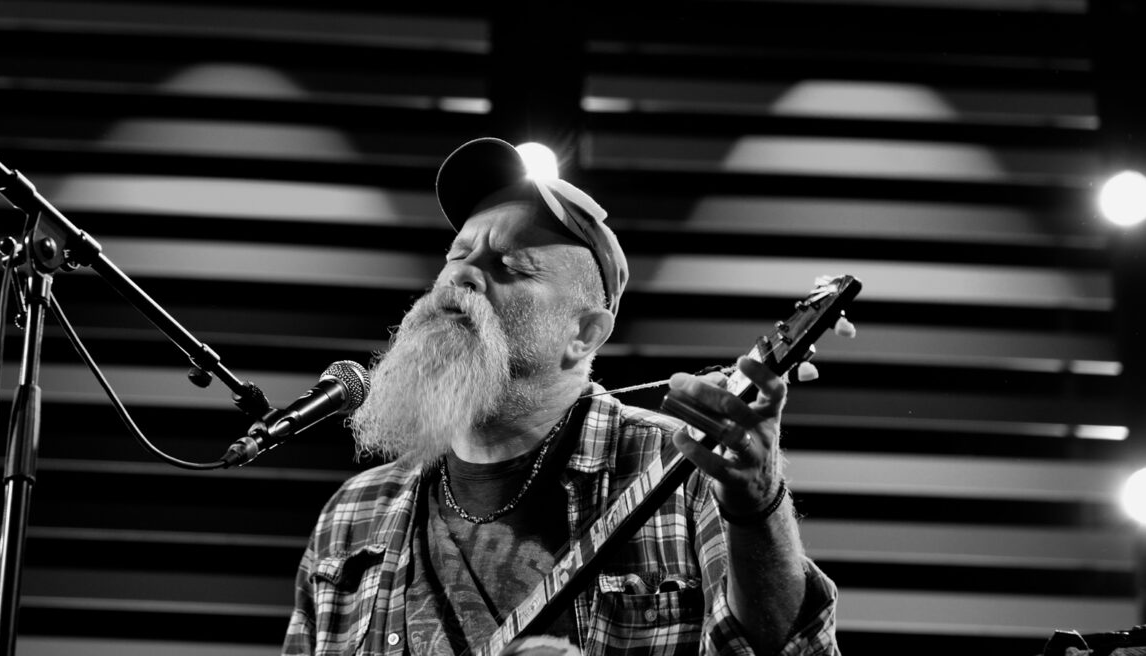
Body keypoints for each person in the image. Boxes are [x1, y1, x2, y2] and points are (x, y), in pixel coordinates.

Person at [282, 138, 839, 656]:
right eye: (458, 254)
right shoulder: (354, 512)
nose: (464, 277)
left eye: (510, 266)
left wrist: (758, 499)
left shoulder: (685, 468)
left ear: (584, 335)